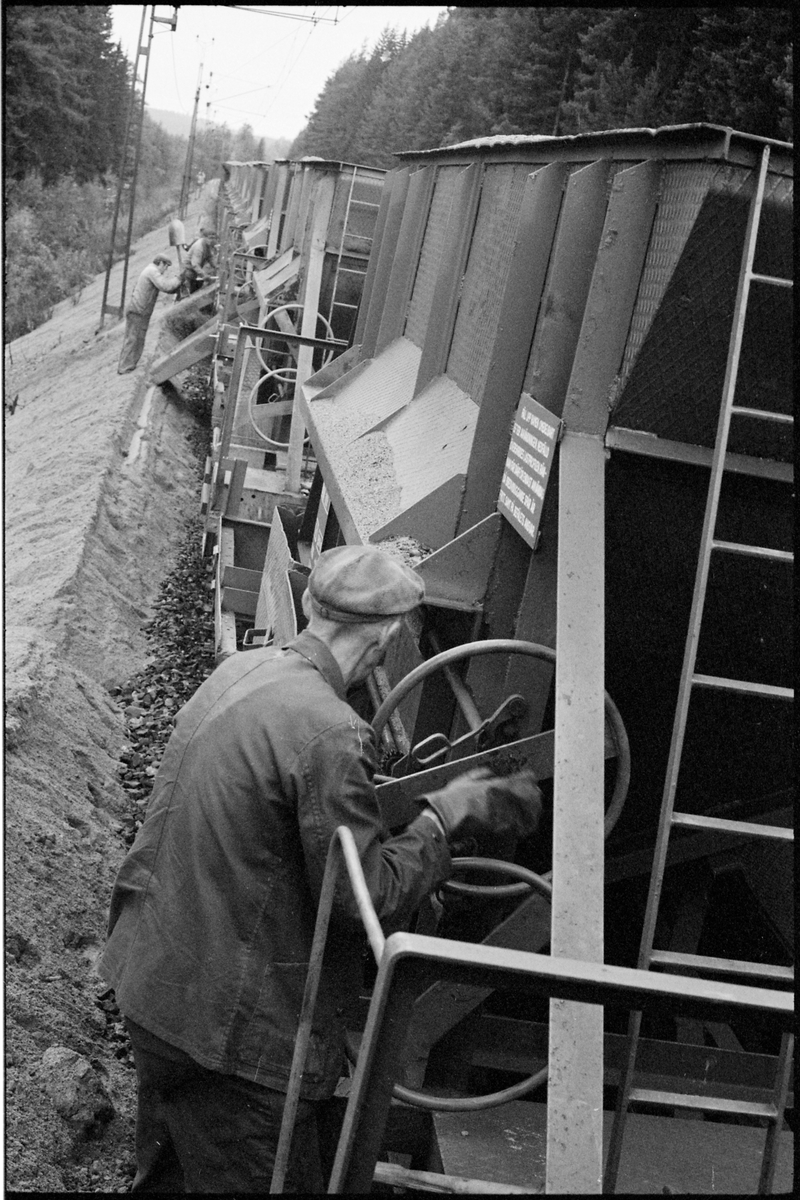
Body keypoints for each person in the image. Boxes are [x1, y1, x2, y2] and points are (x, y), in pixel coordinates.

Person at [100, 544, 541, 1193]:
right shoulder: (333, 733)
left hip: (156, 992)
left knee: (170, 1181)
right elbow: (369, 899)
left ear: (310, 604)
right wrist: (445, 818)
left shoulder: (242, 671)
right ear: (386, 636)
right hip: (231, 1042)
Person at [118, 256, 181, 374]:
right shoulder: (152, 271)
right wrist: (179, 279)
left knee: (138, 339)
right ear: (160, 263)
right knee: (133, 339)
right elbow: (165, 286)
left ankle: (130, 365)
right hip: (138, 310)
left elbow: (168, 288)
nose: (165, 270)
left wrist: (177, 284)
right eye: (166, 266)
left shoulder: (151, 270)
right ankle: (124, 367)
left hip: (140, 310)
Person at [180, 231, 217, 295]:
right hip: (187, 270)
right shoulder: (199, 247)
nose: (211, 240)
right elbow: (195, 265)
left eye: (213, 238)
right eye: (210, 238)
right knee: (189, 291)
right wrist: (204, 275)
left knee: (198, 285)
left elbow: (210, 257)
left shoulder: (207, 245)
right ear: (204, 237)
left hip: (194, 269)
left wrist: (216, 266)